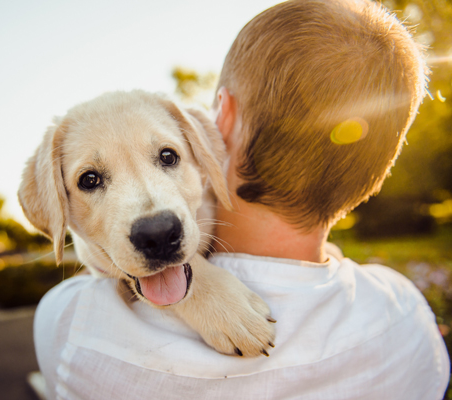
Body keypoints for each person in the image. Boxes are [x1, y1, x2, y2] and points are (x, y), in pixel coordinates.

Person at [33, 0, 450, 398]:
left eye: (167, 157)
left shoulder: (71, 326)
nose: (153, 218)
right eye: (91, 179)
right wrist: (198, 287)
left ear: (221, 121)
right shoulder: (408, 316)